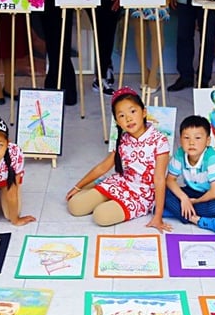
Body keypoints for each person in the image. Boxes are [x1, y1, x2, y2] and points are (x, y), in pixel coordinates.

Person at [66, 87, 171, 230]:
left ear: (144, 112)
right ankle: (100, 188)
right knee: (75, 206)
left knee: (100, 216)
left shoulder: (160, 140)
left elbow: (159, 179)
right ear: (117, 121)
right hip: (122, 183)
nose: (128, 118)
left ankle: (103, 192)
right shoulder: (123, 139)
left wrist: (157, 216)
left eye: (133, 111)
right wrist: (77, 186)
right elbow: (103, 167)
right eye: (121, 116)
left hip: (141, 196)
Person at [163, 115, 215, 233]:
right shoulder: (180, 154)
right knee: (161, 191)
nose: (191, 143)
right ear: (180, 140)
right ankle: (197, 219)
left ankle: (176, 211)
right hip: (192, 191)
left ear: (207, 141)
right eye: (186, 138)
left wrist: (193, 202)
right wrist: (184, 198)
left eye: (197, 138)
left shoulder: (212, 159)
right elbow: (170, 180)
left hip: (213, 195)